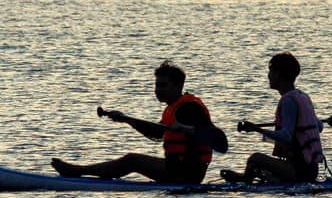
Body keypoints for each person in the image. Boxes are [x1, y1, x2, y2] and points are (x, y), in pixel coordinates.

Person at [51, 61, 226, 184]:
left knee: (132, 160)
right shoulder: (172, 108)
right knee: (132, 160)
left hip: (187, 173)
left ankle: (76, 172)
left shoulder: (189, 107)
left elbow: (220, 142)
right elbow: (157, 134)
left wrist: (185, 129)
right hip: (177, 169)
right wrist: (127, 120)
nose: (157, 90)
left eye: (163, 86)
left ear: (178, 86)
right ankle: (82, 173)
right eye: (156, 85)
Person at [224, 51, 322, 184]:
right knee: (264, 172)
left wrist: (257, 129)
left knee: (255, 159)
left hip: (299, 170)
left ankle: (244, 182)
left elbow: (286, 137)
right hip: (311, 170)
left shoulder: (288, 101)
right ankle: (260, 179)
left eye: (271, 72)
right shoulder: (303, 97)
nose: (268, 76)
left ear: (279, 74)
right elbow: (319, 126)